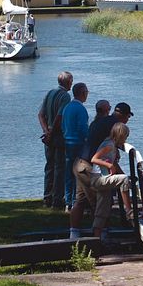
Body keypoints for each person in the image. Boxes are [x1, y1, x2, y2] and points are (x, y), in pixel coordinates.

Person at [89, 122, 132, 239]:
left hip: (103, 178)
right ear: (120, 135)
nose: (126, 139)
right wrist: (110, 166)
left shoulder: (112, 146)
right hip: (98, 179)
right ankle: (129, 211)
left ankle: (97, 239)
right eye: (126, 136)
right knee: (124, 179)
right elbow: (94, 159)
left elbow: (113, 163)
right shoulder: (109, 145)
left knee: (102, 209)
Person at [38, 71, 73, 209]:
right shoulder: (65, 96)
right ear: (68, 82)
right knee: (59, 168)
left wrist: (45, 131)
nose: (72, 83)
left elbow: (40, 114)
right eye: (71, 81)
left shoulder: (49, 93)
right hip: (58, 137)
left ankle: (47, 197)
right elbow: (60, 117)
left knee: (49, 167)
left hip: (48, 137)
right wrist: (51, 133)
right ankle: (57, 199)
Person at [61, 82, 89, 211]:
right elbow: (83, 128)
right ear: (82, 93)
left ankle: (68, 202)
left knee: (68, 173)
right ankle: (77, 201)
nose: (87, 95)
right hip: (78, 143)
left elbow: (63, 125)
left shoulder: (67, 107)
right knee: (80, 174)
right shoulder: (81, 109)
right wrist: (88, 140)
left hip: (67, 142)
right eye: (86, 92)